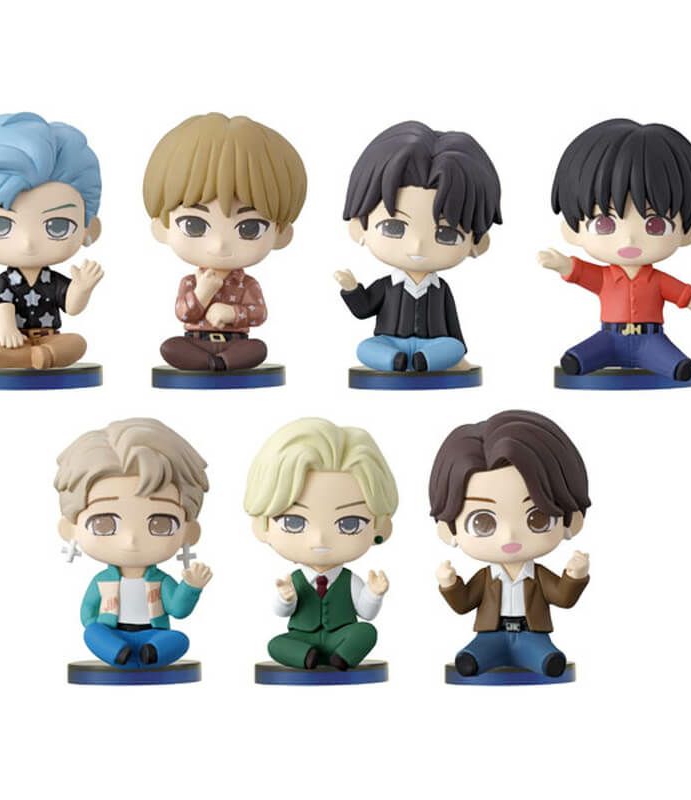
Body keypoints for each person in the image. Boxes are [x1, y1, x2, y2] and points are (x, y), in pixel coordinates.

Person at [538, 118, 691, 381]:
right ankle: (581, 361)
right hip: (609, 338)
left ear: (688, 232)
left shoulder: (657, 280)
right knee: (576, 358)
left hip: (651, 340)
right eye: (604, 222)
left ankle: (675, 367)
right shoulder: (604, 278)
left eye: (655, 224)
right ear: (572, 230)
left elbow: (681, 293)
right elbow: (580, 273)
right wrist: (564, 264)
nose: (629, 239)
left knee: (678, 366)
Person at [429, 410, 590, 677]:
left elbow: (563, 598)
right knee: (471, 658)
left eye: (537, 518)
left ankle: (545, 661)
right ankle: (477, 660)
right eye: (482, 523)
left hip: (532, 634)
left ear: (571, 520)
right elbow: (463, 604)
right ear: (448, 530)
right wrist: (449, 584)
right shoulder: (486, 578)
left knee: (546, 658)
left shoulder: (538, 576)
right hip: (490, 635)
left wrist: (575, 575)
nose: (509, 537)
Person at [143, 113, 306, 371]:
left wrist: (232, 313)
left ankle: (221, 362)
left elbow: (259, 313)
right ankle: (212, 363)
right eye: (194, 225)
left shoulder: (248, 285)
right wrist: (203, 292)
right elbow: (183, 313)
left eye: (249, 228)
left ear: (281, 234)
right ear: (162, 227)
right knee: (171, 347)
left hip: (236, 343)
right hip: (196, 341)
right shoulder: (190, 282)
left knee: (257, 349)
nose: (219, 244)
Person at [336, 120, 501, 372]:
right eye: (393, 227)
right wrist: (351, 290)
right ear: (359, 229)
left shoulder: (441, 290)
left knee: (452, 346)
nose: (417, 245)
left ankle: (426, 361)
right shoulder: (386, 286)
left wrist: (459, 355)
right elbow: (364, 309)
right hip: (389, 342)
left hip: (433, 344)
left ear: (477, 244)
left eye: (446, 234)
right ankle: (394, 361)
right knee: (366, 348)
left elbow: (453, 325)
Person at [55, 418, 212, 669]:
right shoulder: (101, 582)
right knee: (92, 633)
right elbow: (87, 614)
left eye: (160, 524)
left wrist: (191, 587)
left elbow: (177, 610)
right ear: (70, 529)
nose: (130, 539)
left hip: (153, 634)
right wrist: (100, 630)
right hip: (113, 635)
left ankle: (152, 653)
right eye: (104, 523)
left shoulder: (161, 581)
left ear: (189, 532)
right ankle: (118, 652)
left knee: (178, 639)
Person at [0, 112, 104, 369]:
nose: (28, 243)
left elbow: (71, 307)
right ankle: (37, 357)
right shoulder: (4, 283)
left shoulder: (52, 281)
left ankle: (45, 355)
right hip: (14, 342)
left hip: (51, 337)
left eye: (57, 226)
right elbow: (1, 305)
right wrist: (7, 329)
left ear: (89, 230)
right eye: (0, 225)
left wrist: (82, 289)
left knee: (76, 343)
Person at [244, 418, 397, 670]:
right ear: (263, 526)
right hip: (301, 638)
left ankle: (342, 657)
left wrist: (374, 594)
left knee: (366, 631)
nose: (320, 539)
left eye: (349, 523)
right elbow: (281, 612)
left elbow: (366, 613)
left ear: (379, 527)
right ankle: (307, 657)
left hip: (342, 636)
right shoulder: (294, 580)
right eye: (294, 522)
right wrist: (286, 598)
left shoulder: (350, 580)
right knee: (276, 644)